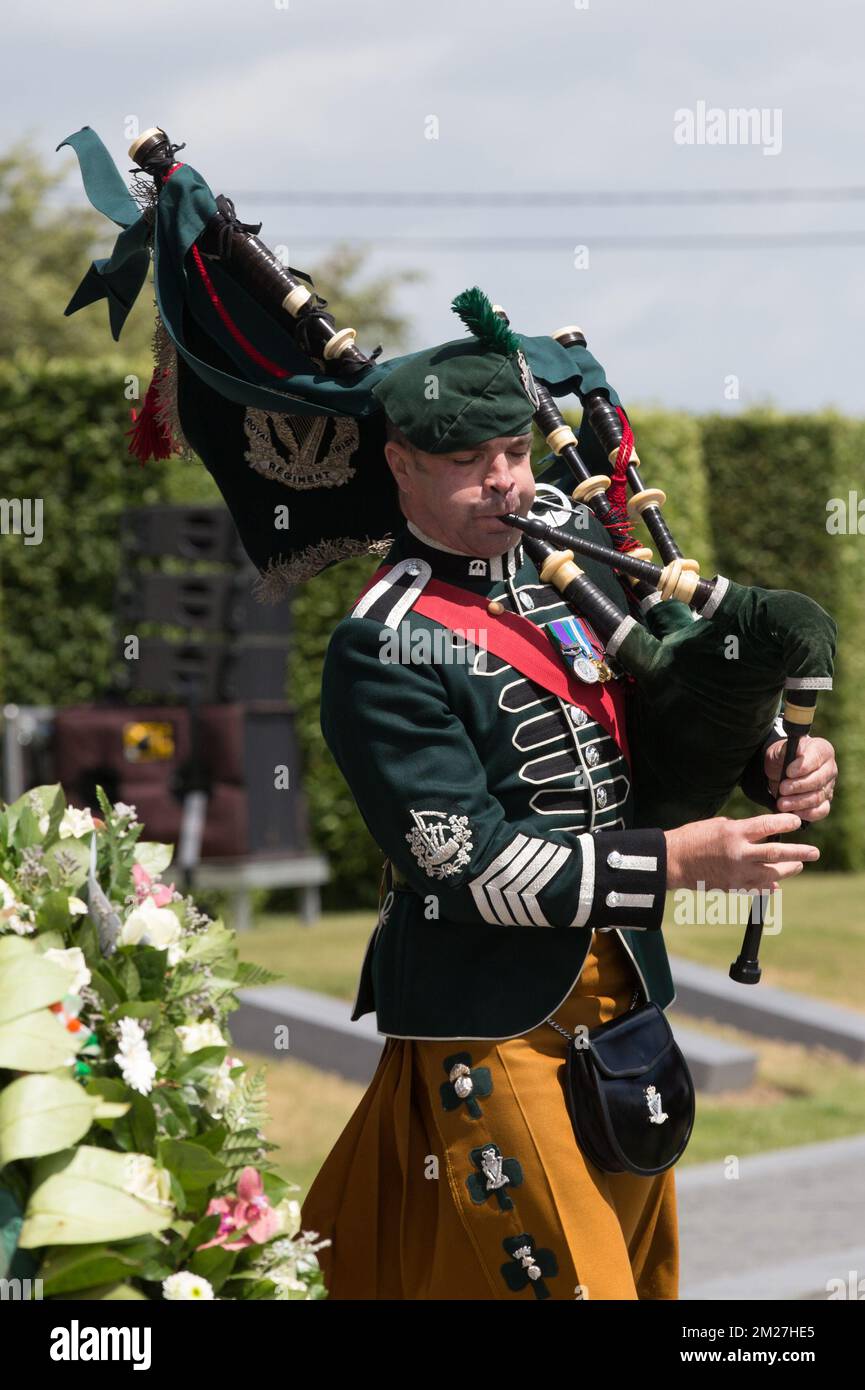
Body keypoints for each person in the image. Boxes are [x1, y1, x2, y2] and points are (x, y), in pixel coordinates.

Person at [300, 292, 838, 1301]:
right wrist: (677, 863)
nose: (501, 480)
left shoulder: (562, 554)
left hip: (623, 996)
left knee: (635, 1281)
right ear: (400, 465)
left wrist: (768, 752)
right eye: (466, 463)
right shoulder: (383, 641)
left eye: (510, 451)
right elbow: (469, 866)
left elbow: (667, 694)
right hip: (493, 1014)